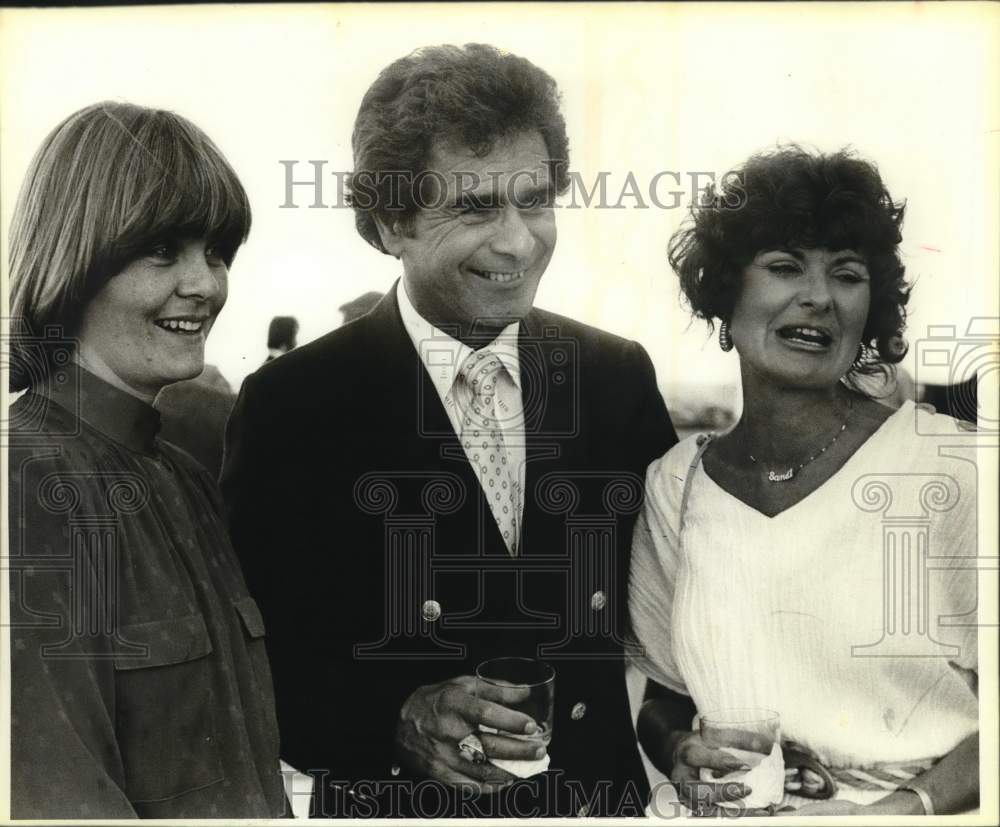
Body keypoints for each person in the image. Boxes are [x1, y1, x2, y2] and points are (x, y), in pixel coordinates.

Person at [221, 43, 681, 818]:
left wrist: (678, 735)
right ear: (390, 222)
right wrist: (392, 720)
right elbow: (254, 672)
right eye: (475, 207)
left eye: (534, 201)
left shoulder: (614, 378)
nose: (518, 242)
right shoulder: (292, 405)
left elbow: (680, 619)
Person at [630, 146, 979, 816]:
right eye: (785, 266)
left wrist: (902, 810)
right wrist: (679, 748)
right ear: (727, 293)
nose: (818, 296)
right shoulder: (678, 487)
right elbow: (665, 697)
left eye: (846, 274)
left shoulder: (949, 468)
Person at [7, 102, 286, 819]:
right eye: (162, 249)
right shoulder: (27, 484)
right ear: (75, 263)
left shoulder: (184, 477)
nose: (206, 285)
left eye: (217, 252)